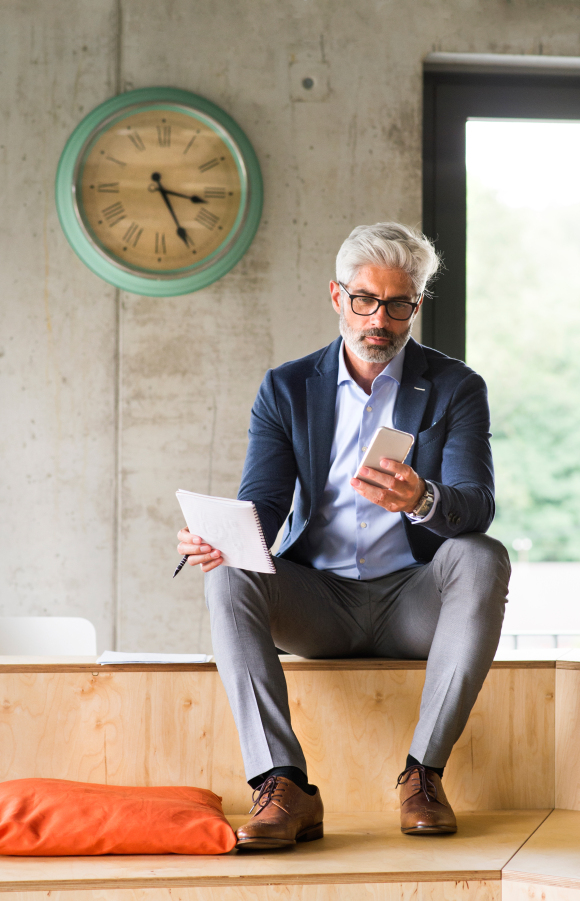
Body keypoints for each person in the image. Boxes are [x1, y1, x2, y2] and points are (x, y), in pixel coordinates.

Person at [176, 222, 510, 849]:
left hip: (414, 601)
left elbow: (477, 506)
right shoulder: (287, 388)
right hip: (317, 602)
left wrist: (424, 498)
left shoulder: (456, 386)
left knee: (482, 555)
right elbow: (266, 505)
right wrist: (223, 540)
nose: (379, 319)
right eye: (365, 300)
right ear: (338, 297)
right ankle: (283, 784)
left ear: (416, 305)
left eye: (398, 303)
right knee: (228, 571)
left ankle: (423, 775)